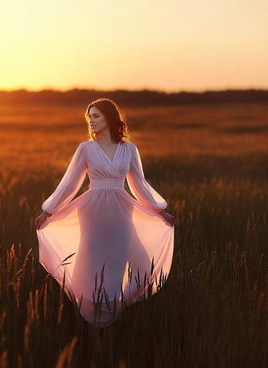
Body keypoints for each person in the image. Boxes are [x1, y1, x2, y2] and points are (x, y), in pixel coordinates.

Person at [35, 98, 175, 332]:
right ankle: (90, 322)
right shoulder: (86, 149)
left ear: (110, 118)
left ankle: (115, 312)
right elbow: (69, 184)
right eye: (89, 117)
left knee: (127, 262)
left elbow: (139, 185)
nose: (91, 121)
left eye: (96, 116)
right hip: (92, 213)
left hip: (122, 213)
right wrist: (47, 212)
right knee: (90, 261)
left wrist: (160, 211)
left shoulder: (129, 149)